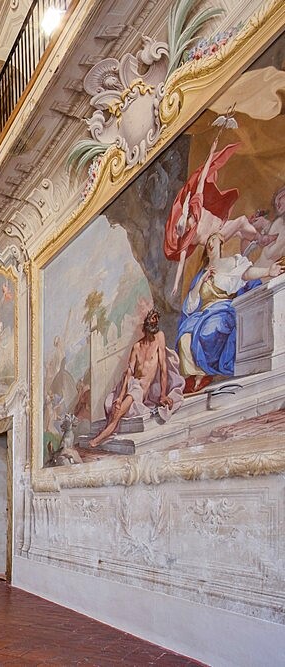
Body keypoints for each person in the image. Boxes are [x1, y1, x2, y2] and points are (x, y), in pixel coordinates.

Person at [177, 233, 284, 394]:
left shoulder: (231, 262)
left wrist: (268, 271)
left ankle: (208, 371)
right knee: (184, 337)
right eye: (208, 243)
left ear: (221, 243)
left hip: (222, 310)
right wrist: (201, 281)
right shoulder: (201, 274)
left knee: (210, 330)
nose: (210, 245)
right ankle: (197, 374)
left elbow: (246, 275)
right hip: (203, 313)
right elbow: (189, 306)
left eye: (213, 240)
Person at [165, 139, 274, 297]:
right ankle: (261, 239)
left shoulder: (196, 205)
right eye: (186, 226)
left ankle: (253, 249)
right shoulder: (187, 237)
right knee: (242, 221)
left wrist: (211, 153)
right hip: (215, 238)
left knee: (241, 232)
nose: (190, 224)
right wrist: (175, 285)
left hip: (220, 231)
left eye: (188, 220)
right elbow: (181, 263)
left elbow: (202, 178)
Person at [87, 309, 184, 447]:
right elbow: (129, 373)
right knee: (114, 406)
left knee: (119, 411)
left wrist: (162, 394)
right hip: (130, 384)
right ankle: (105, 433)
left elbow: (163, 368)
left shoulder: (159, 338)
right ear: (145, 323)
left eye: (157, 318)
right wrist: (120, 397)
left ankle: (98, 439)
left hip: (139, 389)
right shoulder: (137, 347)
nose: (155, 321)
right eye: (152, 318)